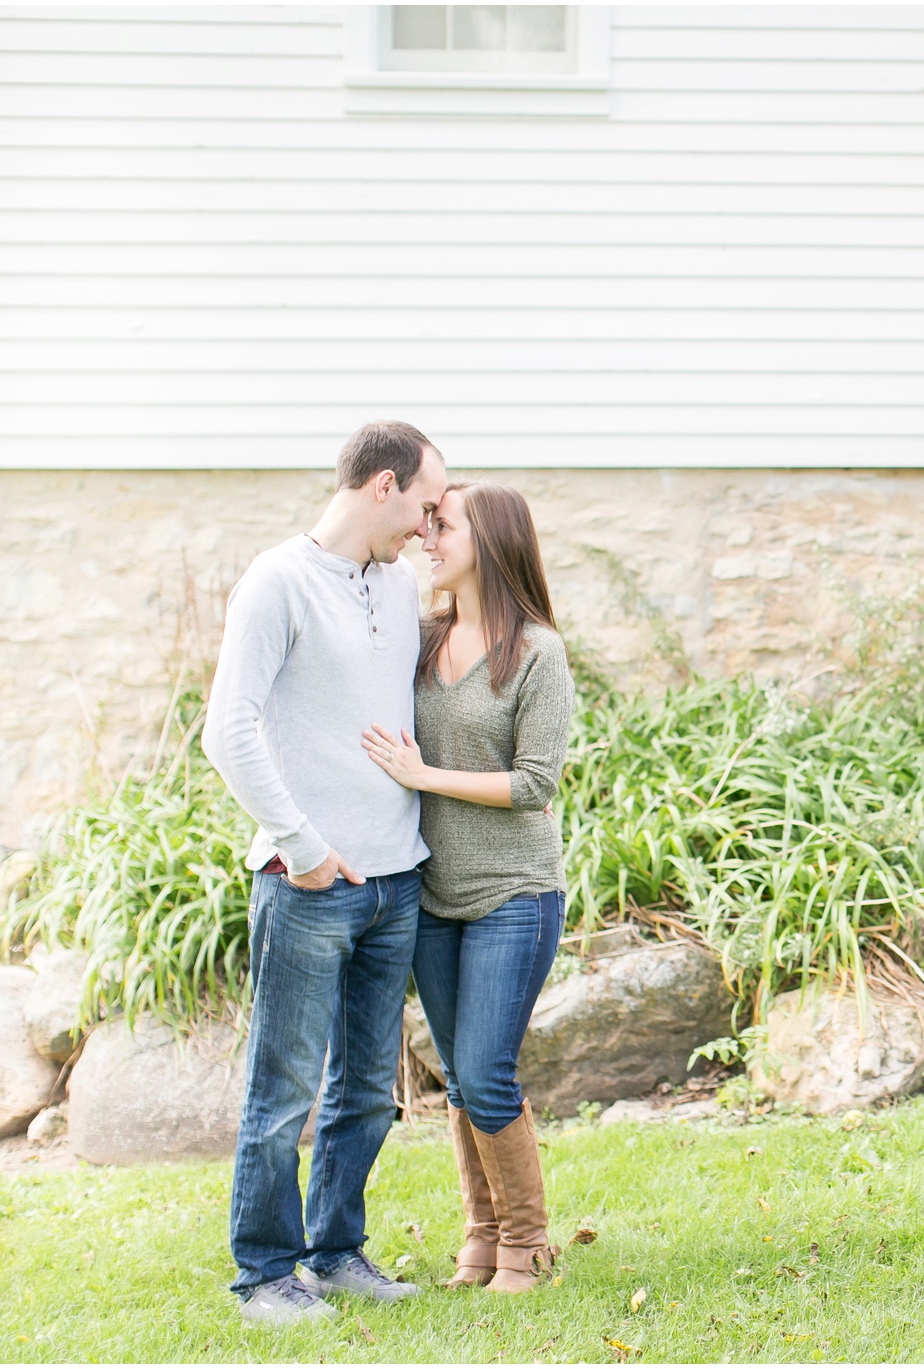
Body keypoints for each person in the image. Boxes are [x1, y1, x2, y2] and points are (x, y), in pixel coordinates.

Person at [203, 420, 446, 1327]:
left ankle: (336, 1250)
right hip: (309, 886)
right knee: (285, 1092)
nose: (430, 528)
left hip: (395, 880)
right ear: (381, 485)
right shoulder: (277, 581)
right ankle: (264, 1271)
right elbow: (227, 730)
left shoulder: (398, 580)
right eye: (424, 506)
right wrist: (300, 844)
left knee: (365, 1094)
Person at [362, 481, 574, 1295]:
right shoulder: (419, 639)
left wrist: (425, 774)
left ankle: (528, 1241)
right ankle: (481, 1238)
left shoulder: (537, 653)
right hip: (431, 894)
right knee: (458, 1074)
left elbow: (535, 783)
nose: (426, 536)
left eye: (441, 525)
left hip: (513, 894)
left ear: (486, 539)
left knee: (486, 1070)